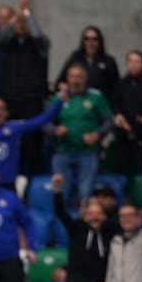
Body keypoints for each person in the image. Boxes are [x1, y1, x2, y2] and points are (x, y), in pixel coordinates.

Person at [0, 0, 51, 177]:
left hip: (32, 102)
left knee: (33, 147)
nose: (21, 26)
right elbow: (0, 37)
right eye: (19, 23)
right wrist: (15, 17)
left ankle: (33, 183)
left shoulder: (40, 44)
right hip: (11, 101)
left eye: (24, 23)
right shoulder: (8, 44)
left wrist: (26, 14)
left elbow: (38, 35)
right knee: (10, 146)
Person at [48, 65, 113, 211]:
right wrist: (55, 130)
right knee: (61, 193)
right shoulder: (59, 98)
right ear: (67, 79)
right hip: (63, 151)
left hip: (88, 151)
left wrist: (97, 134)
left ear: (85, 79)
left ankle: (84, 229)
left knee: (85, 194)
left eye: (79, 77)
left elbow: (109, 121)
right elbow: (45, 122)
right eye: (72, 76)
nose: (76, 80)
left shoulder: (96, 97)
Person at [111, 50, 142, 177]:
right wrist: (119, 117)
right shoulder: (121, 84)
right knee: (120, 165)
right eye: (131, 61)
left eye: (137, 61)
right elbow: (115, 104)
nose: (134, 65)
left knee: (138, 167)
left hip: (140, 134)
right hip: (121, 133)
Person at [57, 26, 119, 101]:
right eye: (87, 39)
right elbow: (61, 81)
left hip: (99, 104)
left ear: (99, 42)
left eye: (94, 39)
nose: (90, 43)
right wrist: (63, 87)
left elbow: (116, 89)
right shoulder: (75, 58)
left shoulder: (109, 61)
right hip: (77, 103)